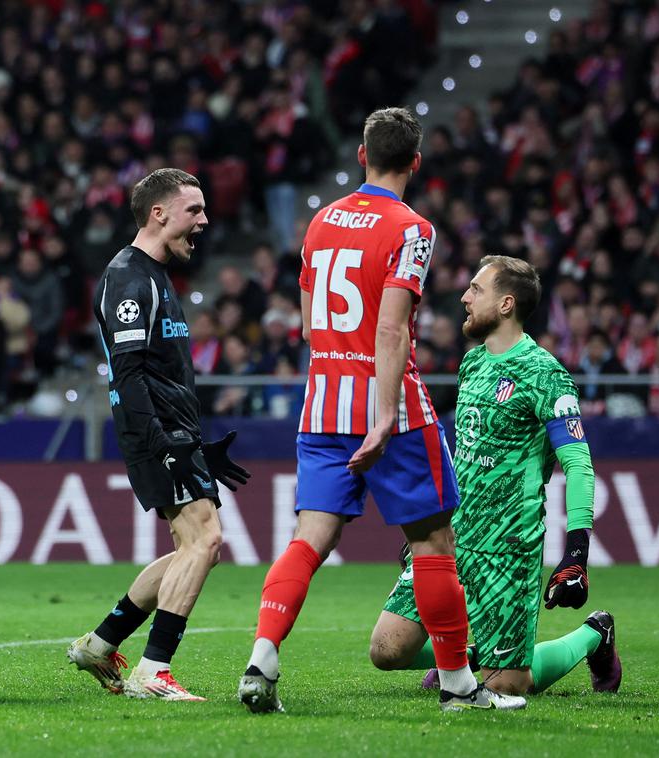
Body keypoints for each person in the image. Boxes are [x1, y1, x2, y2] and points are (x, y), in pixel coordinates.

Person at [238, 108, 524, 714]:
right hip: (388, 408)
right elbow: (392, 329)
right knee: (433, 541)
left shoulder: (320, 221)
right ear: (415, 162)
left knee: (308, 539)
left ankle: (262, 659)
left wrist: (335, 373)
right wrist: (386, 413)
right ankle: (457, 686)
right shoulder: (413, 227)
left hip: (321, 403)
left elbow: (312, 314)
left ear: (362, 155)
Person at [370, 256, 621, 697]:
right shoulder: (472, 364)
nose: (464, 298)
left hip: (506, 547)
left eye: (476, 290)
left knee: (507, 683)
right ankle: (464, 657)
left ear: (506, 304)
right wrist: (426, 526)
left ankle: (594, 635)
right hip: (452, 535)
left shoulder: (545, 374)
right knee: (387, 650)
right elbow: (462, 452)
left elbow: (578, 464)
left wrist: (576, 551)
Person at [66, 168, 250, 701]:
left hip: (172, 430)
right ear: (158, 213)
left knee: (193, 547)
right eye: (194, 210)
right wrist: (161, 441)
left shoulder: (155, 275)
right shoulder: (129, 276)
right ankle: (154, 669)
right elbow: (126, 370)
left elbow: (161, 372)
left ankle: (101, 643)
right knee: (206, 540)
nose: (204, 221)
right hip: (154, 431)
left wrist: (193, 443)